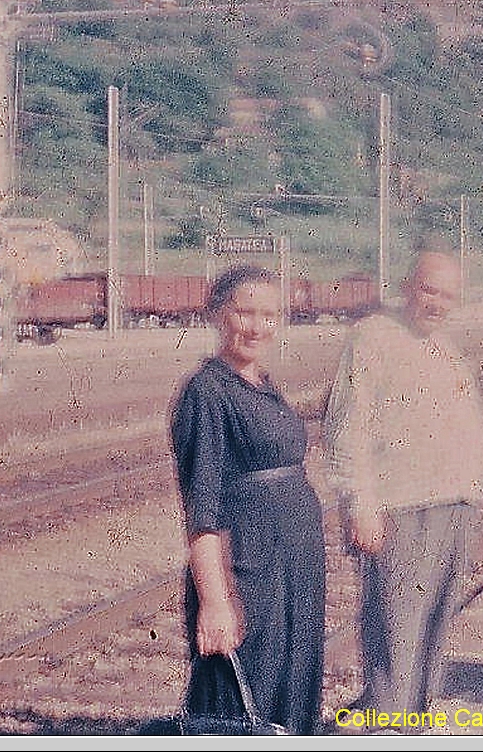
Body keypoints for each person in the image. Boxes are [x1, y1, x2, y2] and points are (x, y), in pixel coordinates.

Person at [324, 251, 483, 719]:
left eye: (447, 295)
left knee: (435, 620)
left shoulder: (448, 354)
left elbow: (474, 436)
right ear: (407, 287)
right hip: (398, 506)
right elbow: (347, 427)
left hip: (453, 503)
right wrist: (359, 503)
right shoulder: (372, 338)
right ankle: (387, 717)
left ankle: (414, 718)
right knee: (394, 622)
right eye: (429, 290)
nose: (437, 303)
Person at [170, 265, 325, 734]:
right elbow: (203, 509)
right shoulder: (207, 392)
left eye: (269, 314)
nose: (257, 326)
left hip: (292, 565)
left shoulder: (262, 383)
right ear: (218, 314)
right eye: (244, 312)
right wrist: (215, 602)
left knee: (292, 686)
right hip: (249, 568)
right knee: (241, 700)